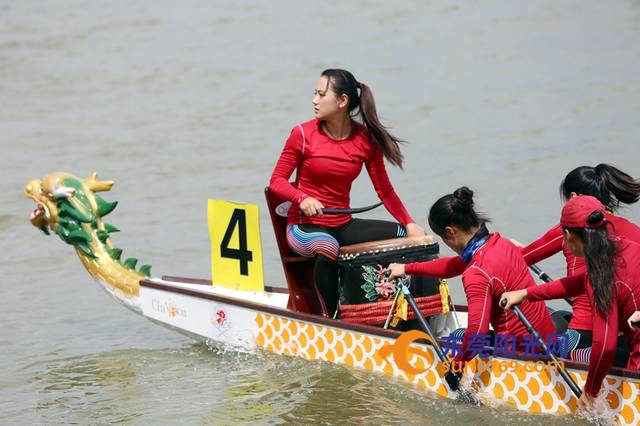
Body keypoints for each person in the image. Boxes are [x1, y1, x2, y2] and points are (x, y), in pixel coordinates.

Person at [269, 69, 424, 317]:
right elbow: (276, 181)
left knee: (405, 235)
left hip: (342, 224)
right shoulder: (302, 135)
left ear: (342, 101)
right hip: (303, 227)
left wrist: (409, 223)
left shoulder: (365, 140)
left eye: (321, 94)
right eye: (315, 94)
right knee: (327, 244)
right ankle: (332, 318)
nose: (314, 100)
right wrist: (302, 198)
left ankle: (390, 309)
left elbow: (384, 190)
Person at [387, 187, 556, 368]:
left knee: (456, 336)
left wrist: (456, 366)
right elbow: (451, 266)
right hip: (549, 345)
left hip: (520, 357)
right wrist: (406, 268)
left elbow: (477, 335)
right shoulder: (502, 243)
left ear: (450, 232)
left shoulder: (476, 273)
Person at [500, 196, 640, 412]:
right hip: (628, 343)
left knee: (576, 353)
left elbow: (605, 346)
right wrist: (527, 293)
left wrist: (590, 391)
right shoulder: (626, 248)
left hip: (636, 365)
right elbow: (577, 282)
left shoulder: (603, 276)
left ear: (567, 235)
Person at [516, 164, 640, 352]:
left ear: (575, 198)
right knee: (557, 315)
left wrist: (508, 249)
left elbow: (516, 260)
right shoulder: (632, 231)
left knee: (530, 336)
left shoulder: (569, 228)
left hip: (584, 332)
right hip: (627, 332)